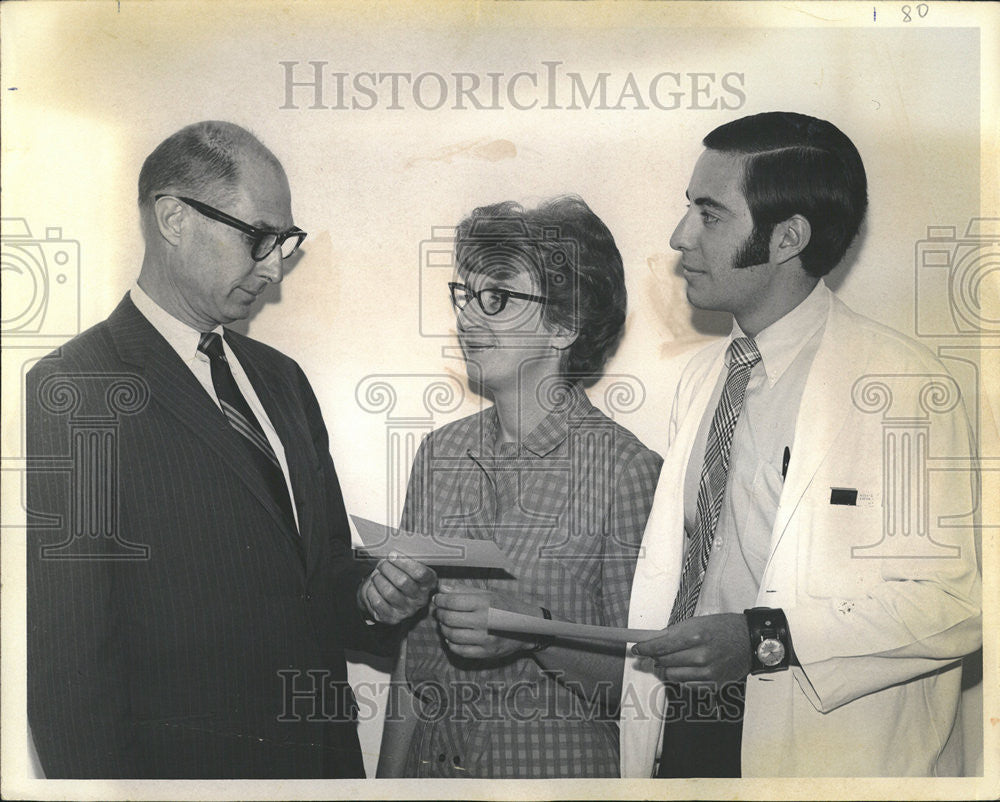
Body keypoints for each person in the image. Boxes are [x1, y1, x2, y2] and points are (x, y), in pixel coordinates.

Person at [25, 121, 436, 778]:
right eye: (259, 238)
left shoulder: (282, 380)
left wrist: (371, 597)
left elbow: (320, 575)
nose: (275, 266)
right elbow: (69, 672)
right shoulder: (74, 390)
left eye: (284, 243)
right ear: (173, 218)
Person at [623, 111, 982, 777]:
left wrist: (763, 640)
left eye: (709, 214)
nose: (679, 238)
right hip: (683, 729)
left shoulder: (902, 385)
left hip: (824, 751)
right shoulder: (705, 379)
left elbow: (954, 602)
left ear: (787, 236)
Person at [376, 197, 662, 778]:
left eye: (498, 299)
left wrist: (531, 632)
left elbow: (642, 686)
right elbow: (412, 661)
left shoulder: (626, 470)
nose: (467, 318)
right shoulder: (439, 454)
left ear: (563, 325)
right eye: (467, 294)